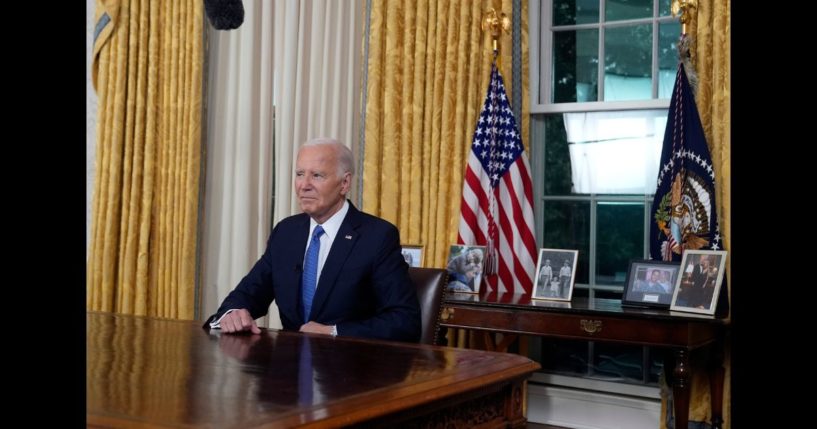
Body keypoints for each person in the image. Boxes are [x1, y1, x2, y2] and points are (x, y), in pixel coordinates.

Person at [203, 138, 421, 342]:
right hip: (288, 371)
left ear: (344, 183)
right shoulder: (286, 232)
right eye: (299, 174)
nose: (304, 185)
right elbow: (249, 293)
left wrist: (334, 332)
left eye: (317, 175)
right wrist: (232, 314)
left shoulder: (377, 236)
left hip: (350, 370)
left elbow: (405, 321)